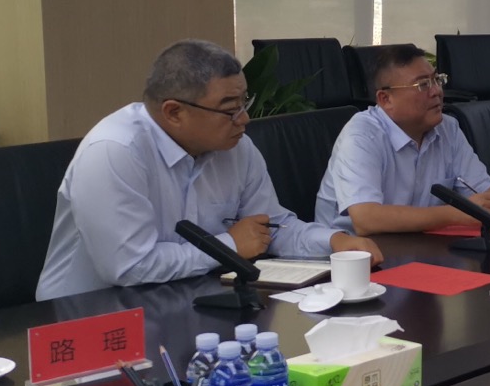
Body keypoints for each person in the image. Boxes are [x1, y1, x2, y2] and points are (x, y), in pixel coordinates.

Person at [37, 40, 381, 301]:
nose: (244, 119)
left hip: (190, 297)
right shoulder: (115, 151)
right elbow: (128, 266)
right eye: (230, 109)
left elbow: (270, 227)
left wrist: (334, 241)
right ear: (174, 112)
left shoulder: (236, 148)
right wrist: (230, 244)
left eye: (244, 102)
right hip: (90, 314)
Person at [315, 45, 490, 234]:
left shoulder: (448, 128)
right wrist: (453, 214)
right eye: (423, 85)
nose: (437, 91)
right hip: (350, 253)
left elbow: (480, 189)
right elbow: (366, 219)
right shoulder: (361, 136)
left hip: (419, 244)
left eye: (437, 80)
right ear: (386, 99)